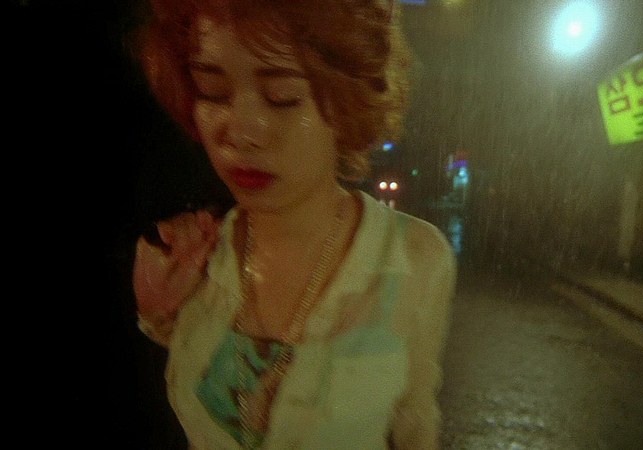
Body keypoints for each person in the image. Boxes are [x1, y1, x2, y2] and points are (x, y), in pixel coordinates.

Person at [130, 0, 457, 448]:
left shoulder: (412, 258)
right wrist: (157, 316)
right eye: (213, 90)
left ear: (346, 101)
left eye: (282, 96)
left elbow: (415, 421)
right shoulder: (198, 258)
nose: (241, 132)